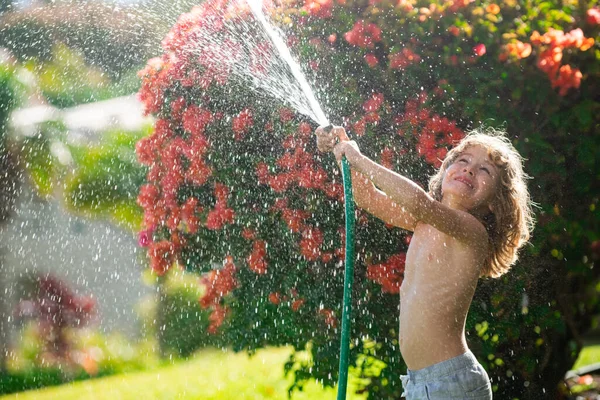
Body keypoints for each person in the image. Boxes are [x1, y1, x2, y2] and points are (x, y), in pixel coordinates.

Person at [315, 125, 535, 399]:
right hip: (422, 383)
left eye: (484, 170)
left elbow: (420, 203)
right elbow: (367, 197)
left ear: (495, 202)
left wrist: (359, 159)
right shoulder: (424, 222)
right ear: (445, 170)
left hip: (451, 382)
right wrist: (344, 150)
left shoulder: (472, 232)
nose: (469, 170)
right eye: (463, 160)